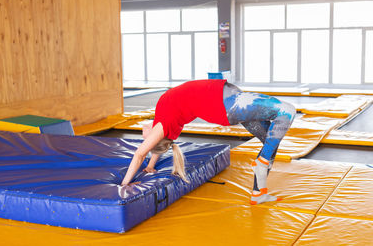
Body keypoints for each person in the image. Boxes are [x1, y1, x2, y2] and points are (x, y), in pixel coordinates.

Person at [121, 79, 296, 205]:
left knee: (270, 141)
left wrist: (151, 165)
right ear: (155, 138)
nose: (144, 135)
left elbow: (156, 149)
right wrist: (124, 184)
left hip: (229, 104)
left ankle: (259, 192)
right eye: (147, 139)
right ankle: (262, 161)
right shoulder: (164, 124)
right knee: (288, 111)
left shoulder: (166, 124)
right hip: (227, 104)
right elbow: (139, 153)